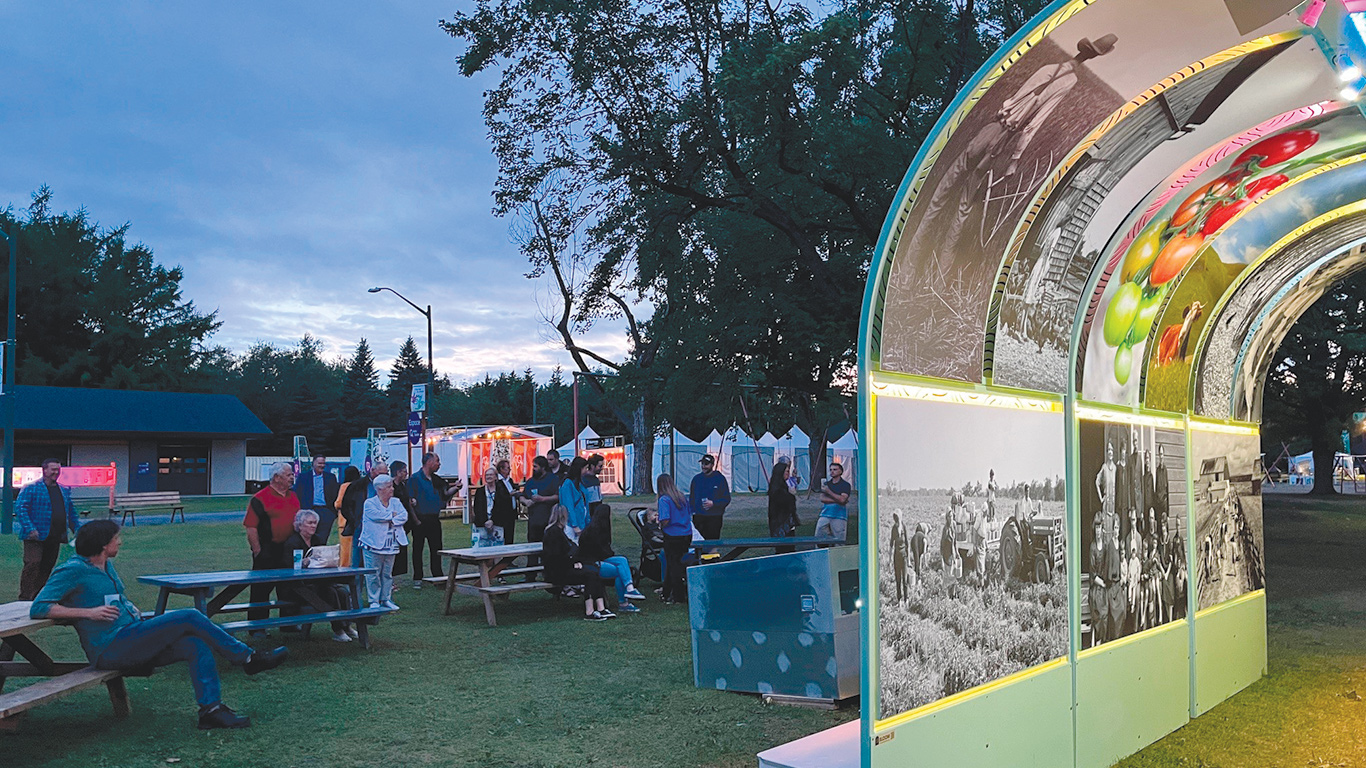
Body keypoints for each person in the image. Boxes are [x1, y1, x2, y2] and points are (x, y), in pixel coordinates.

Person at [31, 520, 288, 729]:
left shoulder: (106, 566)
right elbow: (39, 607)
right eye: (115, 538)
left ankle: (211, 711)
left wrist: (126, 604)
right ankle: (248, 659)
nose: (120, 541)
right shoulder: (71, 570)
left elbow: (114, 596)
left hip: (132, 636)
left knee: (195, 645)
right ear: (102, 545)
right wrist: (89, 613)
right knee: (189, 616)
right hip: (110, 647)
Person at [243, 462, 301, 637]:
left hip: (289, 549)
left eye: (292, 474)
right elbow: (251, 527)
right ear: (276, 477)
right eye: (289, 474)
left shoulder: (293, 496)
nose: (292, 477)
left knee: (290, 587)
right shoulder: (260, 498)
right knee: (261, 590)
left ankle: (288, 623)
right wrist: (258, 551)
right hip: (268, 549)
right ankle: (257, 627)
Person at [282, 510, 355, 643]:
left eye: (315, 523)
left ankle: (347, 626)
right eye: (309, 523)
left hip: (317, 581)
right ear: (300, 525)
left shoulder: (317, 539)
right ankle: (338, 630)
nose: (313, 526)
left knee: (343, 592)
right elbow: (288, 567)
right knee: (330, 592)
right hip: (297, 586)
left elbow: (324, 557)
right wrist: (303, 564)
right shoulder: (292, 542)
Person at [16, 458, 81, 600]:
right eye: (53, 469)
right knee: (33, 564)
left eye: (58, 470)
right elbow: (21, 508)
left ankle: (37, 596)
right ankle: (25, 598)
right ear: (44, 470)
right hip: (35, 536)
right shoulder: (31, 488)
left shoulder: (63, 490)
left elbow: (70, 512)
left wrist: (78, 529)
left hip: (55, 535)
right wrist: (30, 528)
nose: (56, 473)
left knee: (47, 566)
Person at [541, 505, 611, 621]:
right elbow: (555, 556)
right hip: (557, 572)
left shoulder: (559, 532)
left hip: (563, 567)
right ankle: (590, 611)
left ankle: (600, 606)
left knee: (593, 571)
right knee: (590, 575)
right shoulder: (553, 533)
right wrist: (572, 562)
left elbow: (572, 548)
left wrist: (575, 560)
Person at [577, 504, 647, 612]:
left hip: (600, 559)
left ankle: (630, 588)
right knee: (619, 571)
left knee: (622, 560)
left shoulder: (596, 530)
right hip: (591, 563)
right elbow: (601, 552)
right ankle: (624, 601)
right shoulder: (592, 533)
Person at [407, 452, 457, 585]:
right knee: (418, 548)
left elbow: (445, 494)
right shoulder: (415, 479)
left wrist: (456, 488)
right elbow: (409, 500)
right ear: (429, 462)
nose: (439, 464)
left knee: (436, 548)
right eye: (437, 461)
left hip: (434, 518)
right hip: (420, 518)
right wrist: (415, 520)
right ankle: (418, 577)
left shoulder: (436, 479)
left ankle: (437, 575)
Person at [361, 474, 407, 610]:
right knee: (373, 573)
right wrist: (392, 515)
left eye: (391, 486)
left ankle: (386, 598)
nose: (392, 489)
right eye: (388, 487)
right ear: (379, 489)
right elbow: (377, 516)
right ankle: (373, 600)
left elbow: (404, 516)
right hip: (373, 543)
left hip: (391, 543)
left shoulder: (396, 502)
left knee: (387, 573)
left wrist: (391, 518)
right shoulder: (369, 503)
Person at [340, 461, 389, 569]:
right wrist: (355, 521)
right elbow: (346, 505)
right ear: (372, 470)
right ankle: (357, 583)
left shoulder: (388, 486)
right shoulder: (357, 485)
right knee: (358, 557)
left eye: (385, 474)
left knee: (380, 557)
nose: (383, 477)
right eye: (381, 473)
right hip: (361, 525)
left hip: (381, 526)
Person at [655, 473, 691, 604]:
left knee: (673, 565)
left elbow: (665, 519)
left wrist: (660, 525)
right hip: (686, 533)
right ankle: (666, 592)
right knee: (675, 563)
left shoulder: (664, 499)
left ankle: (678, 596)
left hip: (673, 535)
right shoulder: (681, 497)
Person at [522, 456, 561, 571]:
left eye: (535, 466)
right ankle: (530, 574)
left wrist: (543, 499)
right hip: (533, 520)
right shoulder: (531, 481)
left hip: (549, 520)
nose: (533, 469)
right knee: (532, 548)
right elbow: (523, 495)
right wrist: (525, 501)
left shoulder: (553, 479)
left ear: (543, 467)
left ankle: (548, 572)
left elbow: (558, 496)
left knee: (548, 548)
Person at [292, 456, 340, 542]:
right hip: (309, 510)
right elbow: (297, 493)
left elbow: (335, 494)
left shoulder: (331, 477)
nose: (322, 465)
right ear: (313, 463)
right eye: (319, 463)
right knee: (308, 535)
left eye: (323, 463)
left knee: (324, 537)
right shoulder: (303, 477)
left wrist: (333, 512)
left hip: (326, 511)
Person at [689, 454, 730, 540]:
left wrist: (714, 503)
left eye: (706, 464)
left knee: (712, 543)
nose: (703, 466)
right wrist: (693, 511)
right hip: (699, 517)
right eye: (702, 464)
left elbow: (726, 498)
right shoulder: (696, 479)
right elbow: (692, 497)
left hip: (714, 517)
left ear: (712, 465)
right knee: (699, 543)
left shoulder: (720, 479)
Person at [472, 466, 517, 545]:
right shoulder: (480, 491)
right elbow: (477, 508)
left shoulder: (502, 490)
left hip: (497, 523)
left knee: (497, 549)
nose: (489, 477)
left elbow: (503, 507)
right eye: (487, 475)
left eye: (491, 475)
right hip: (482, 524)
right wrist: (485, 521)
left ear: (496, 477)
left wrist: (492, 520)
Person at [767, 461, 799, 555]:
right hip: (781, 523)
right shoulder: (777, 488)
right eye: (786, 471)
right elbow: (784, 503)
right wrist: (791, 495)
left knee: (788, 548)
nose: (788, 473)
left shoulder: (782, 485)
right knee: (784, 549)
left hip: (785, 521)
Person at [815, 462, 852, 542]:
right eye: (830, 470)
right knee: (819, 536)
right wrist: (839, 499)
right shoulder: (827, 484)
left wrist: (829, 492)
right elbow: (822, 498)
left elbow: (843, 499)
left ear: (840, 472)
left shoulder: (845, 485)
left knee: (839, 540)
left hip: (839, 516)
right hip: (825, 514)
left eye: (835, 470)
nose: (832, 471)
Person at [389, 460, 411, 582]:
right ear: (398, 472)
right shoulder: (391, 487)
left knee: (401, 550)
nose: (406, 473)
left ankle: (395, 576)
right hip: (394, 522)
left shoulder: (403, 486)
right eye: (404, 471)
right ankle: (389, 577)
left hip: (404, 523)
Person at [335, 466, 361, 567]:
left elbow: (339, 503)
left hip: (345, 522)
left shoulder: (344, 486)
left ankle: (345, 571)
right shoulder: (360, 485)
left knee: (345, 549)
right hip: (358, 520)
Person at [561, 457, 591, 541]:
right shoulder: (568, 484)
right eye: (586, 468)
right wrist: (575, 525)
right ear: (580, 468)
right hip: (571, 525)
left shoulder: (579, 483)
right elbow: (568, 505)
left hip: (581, 521)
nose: (586, 471)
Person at [890, 511, 908, 603]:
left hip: (904, 557)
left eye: (897, 518)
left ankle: (906, 599)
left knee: (905, 580)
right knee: (898, 579)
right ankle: (899, 599)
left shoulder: (904, 527)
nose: (896, 520)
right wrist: (889, 560)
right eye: (894, 518)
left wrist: (908, 560)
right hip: (896, 557)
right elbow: (891, 544)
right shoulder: (894, 528)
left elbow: (907, 544)